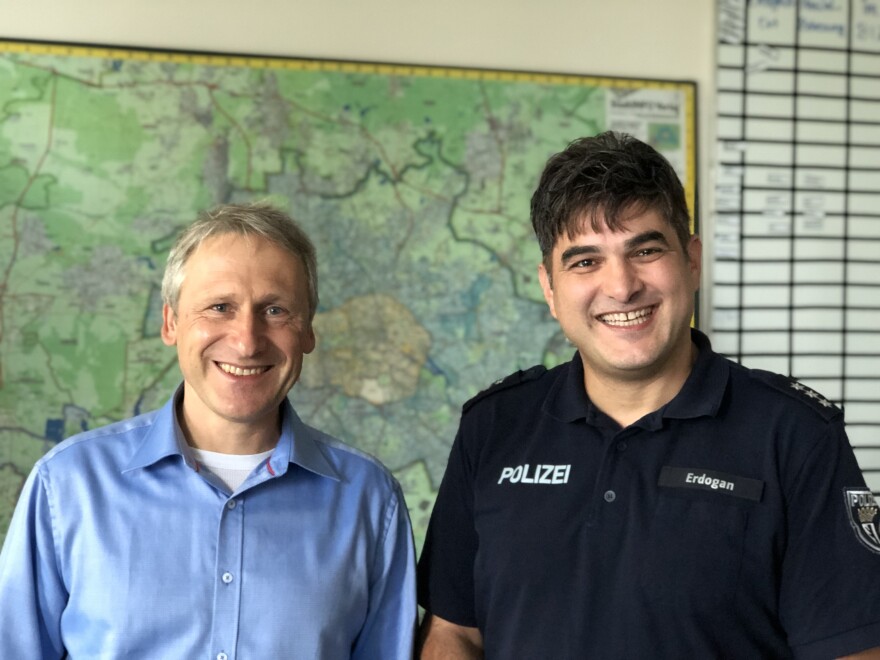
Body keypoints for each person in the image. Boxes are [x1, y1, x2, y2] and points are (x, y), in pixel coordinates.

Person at [416, 132, 880, 658]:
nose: (621, 286)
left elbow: (855, 647)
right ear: (549, 287)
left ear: (693, 261)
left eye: (646, 249)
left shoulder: (796, 435)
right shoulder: (493, 428)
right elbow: (453, 631)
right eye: (585, 261)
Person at [0, 203, 416, 658]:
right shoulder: (67, 486)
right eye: (219, 307)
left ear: (308, 332)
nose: (247, 340)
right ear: (171, 323)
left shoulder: (370, 501)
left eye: (275, 310)